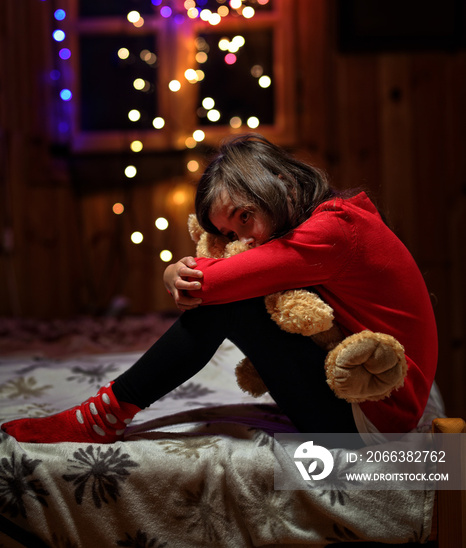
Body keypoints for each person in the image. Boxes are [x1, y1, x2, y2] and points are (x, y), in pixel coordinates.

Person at [1, 134, 438, 444]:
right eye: (230, 235)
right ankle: (107, 412)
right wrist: (176, 272)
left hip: (375, 420)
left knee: (237, 304)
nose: (242, 242)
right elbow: (217, 276)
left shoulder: (334, 230)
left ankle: (103, 415)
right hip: (371, 403)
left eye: (245, 217)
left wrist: (176, 274)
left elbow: (212, 286)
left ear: (281, 184)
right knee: (237, 297)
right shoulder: (332, 218)